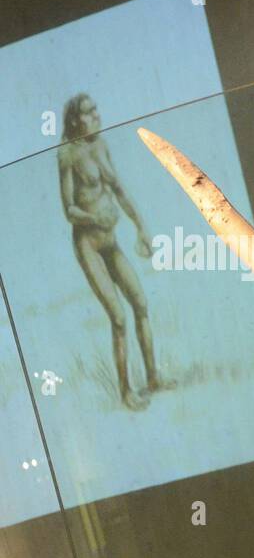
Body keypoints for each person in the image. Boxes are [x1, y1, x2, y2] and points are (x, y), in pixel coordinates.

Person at [58, 93, 174, 411]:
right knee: (119, 318)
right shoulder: (67, 155)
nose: (96, 115)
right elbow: (68, 209)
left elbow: (119, 188)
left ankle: (153, 378)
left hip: (111, 242)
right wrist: (94, 217)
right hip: (89, 246)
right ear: (73, 121)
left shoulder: (101, 145)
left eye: (97, 108)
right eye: (88, 112)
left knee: (140, 302)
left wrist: (142, 227)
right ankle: (126, 392)